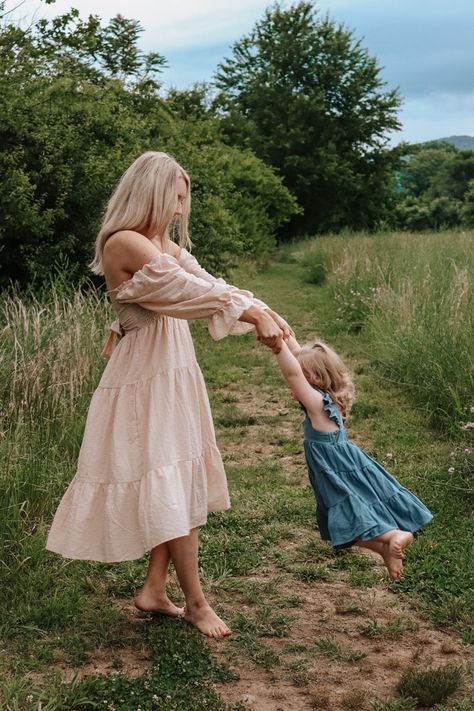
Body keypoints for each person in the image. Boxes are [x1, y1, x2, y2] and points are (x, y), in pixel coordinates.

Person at [46, 151, 293, 639]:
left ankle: (154, 589)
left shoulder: (157, 242)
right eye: (176, 199)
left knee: (177, 478)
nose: (181, 210)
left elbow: (210, 283)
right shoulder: (126, 241)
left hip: (172, 369)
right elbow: (186, 294)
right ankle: (197, 604)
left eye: (184, 200)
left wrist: (266, 310)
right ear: (154, 193)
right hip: (147, 376)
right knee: (169, 477)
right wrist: (255, 317)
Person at [274, 336, 433, 580]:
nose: (290, 386)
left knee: (349, 518)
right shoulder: (328, 399)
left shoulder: (317, 403)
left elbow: (293, 373)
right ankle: (385, 549)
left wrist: (277, 347)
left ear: (313, 379)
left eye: (299, 377)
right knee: (345, 526)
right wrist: (279, 328)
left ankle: (392, 536)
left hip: (333, 469)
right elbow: (298, 363)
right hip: (344, 463)